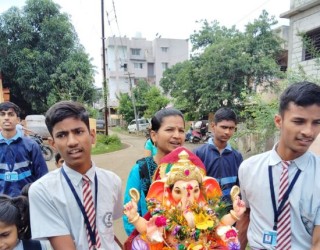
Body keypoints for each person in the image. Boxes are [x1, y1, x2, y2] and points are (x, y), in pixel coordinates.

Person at [28, 101, 123, 250]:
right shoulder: (42, 191)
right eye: (62, 135)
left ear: (92, 136)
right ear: (53, 143)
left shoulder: (112, 181)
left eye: (78, 132)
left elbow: (107, 232)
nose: (72, 142)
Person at [238, 82, 320, 249]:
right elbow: (245, 214)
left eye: (316, 123)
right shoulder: (249, 168)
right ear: (278, 121)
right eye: (299, 121)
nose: (308, 131)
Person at [123, 147, 246, 249]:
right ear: (165, 191)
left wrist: (235, 214)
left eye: (195, 190)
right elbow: (147, 229)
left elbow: (220, 226)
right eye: (178, 191)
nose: (187, 198)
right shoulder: (165, 213)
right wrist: (134, 217)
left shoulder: (204, 211)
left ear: (205, 189)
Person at [123, 108, 185, 236]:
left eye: (181, 130)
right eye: (169, 130)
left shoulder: (189, 169)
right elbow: (129, 218)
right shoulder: (141, 170)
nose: (177, 135)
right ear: (154, 135)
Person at [194, 107, 243, 207]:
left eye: (231, 128)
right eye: (224, 127)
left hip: (230, 213)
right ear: (213, 126)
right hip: (204, 213)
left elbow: (239, 188)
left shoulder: (237, 157)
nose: (227, 132)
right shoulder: (199, 154)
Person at [0, 102, 48, 197]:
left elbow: (43, 177)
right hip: (2, 205)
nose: (6, 117)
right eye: (2, 114)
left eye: (10, 114)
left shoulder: (31, 145)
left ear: (18, 120)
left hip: (26, 201)